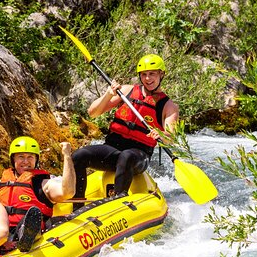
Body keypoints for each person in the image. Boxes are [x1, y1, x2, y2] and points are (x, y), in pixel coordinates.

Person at [71, 54, 179, 205]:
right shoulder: (127, 91)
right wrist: (108, 95)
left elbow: (171, 138)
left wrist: (161, 134)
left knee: (126, 156)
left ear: (161, 74)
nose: (148, 78)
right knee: (79, 155)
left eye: (152, 74)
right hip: (112, 149)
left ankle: (118, 200)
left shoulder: (168, 106)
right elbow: (93, 113)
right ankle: (77, 204)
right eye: (144, 74)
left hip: (139, 157)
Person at [0, 136, 75, 252]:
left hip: (29, 231)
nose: (26, 161)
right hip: (3, 232)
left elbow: (68, 192)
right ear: (13, 159)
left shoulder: (43, 183)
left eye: (30, 157)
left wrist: (67, 156)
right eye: (21, 157)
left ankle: (27, 235)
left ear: (36, 160)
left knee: (28, 219)